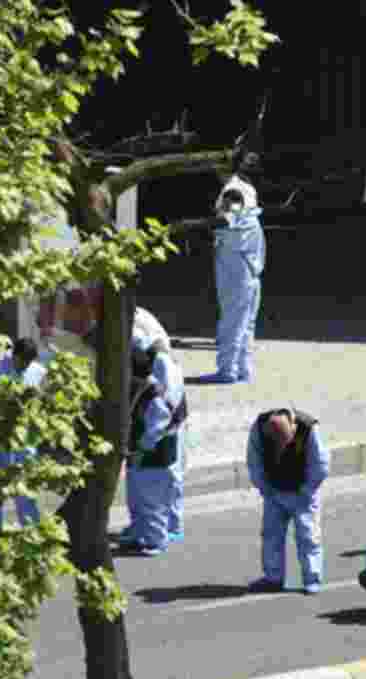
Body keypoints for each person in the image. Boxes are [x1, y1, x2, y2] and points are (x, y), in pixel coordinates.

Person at [246, 407, 330, 594]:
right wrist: (265, 489)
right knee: (271, 536)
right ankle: (273, 578)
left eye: (284, 443)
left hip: (303, 494)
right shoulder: (259, 428)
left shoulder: (309, 428)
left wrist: (307, 491)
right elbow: (254, 462)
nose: (281, 448)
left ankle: (312, 579)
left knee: (308, 537)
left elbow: (321, 465)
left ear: (293, 428)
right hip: (274, 493)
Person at [118, 334, 188, 556]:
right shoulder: (141, 385)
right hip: (142, 452)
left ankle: (156, 540)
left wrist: (142, 448)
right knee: (136, 497)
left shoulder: (150, 391)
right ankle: (141, 533)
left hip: (152, 455)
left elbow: (158, 422)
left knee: (150, 499)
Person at [195, 174, 264, 384]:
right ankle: (243, 368)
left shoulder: (233, 191)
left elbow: (228, 218)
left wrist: (192, 225)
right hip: (250, 265)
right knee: (245, 322)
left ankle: (227, 370)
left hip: (236, 268)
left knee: (232, 321)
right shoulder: (247, 190)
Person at [0, 337, 47, 530]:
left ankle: (31, 532)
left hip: (25, 441)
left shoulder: (38, 372)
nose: (25, 366)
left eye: (29, 362)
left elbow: (44, 405)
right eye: (22, 361)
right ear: (13, 355)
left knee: (25, 491)